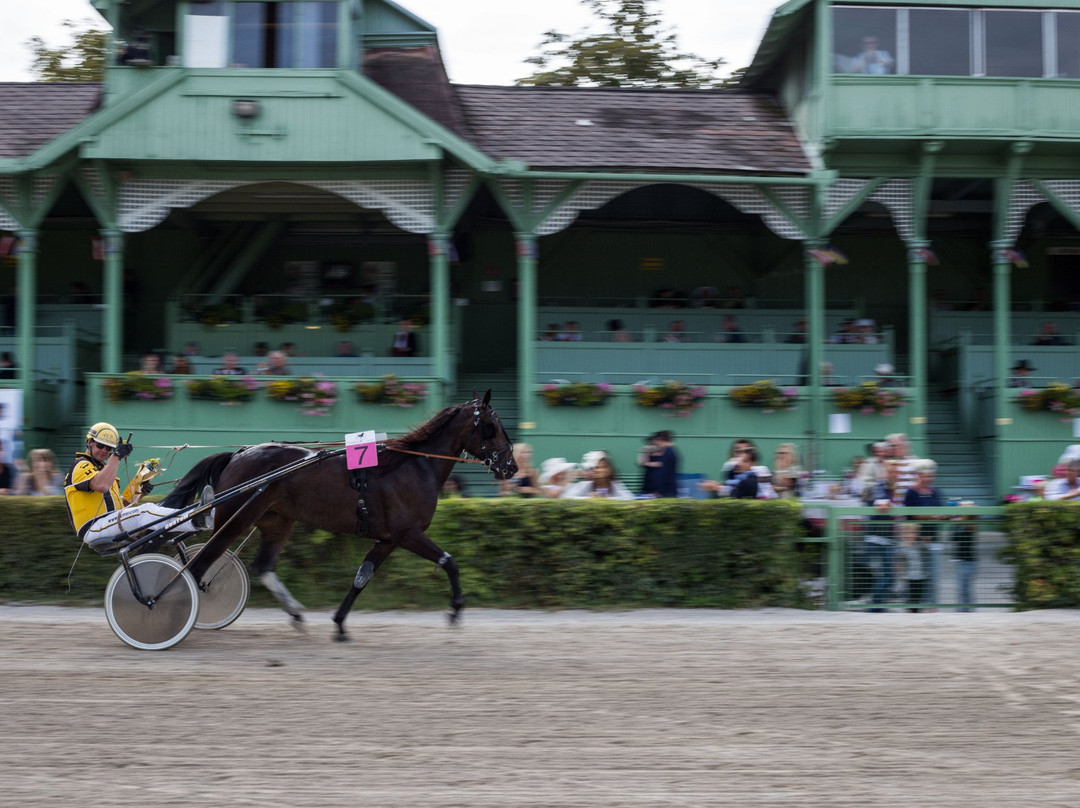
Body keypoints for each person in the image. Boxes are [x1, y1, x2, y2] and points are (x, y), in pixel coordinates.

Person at [64, 422, 213, 551]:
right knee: (145, 512)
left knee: (157, 509)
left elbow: (122, 506)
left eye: (109, 448)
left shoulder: (105, 469)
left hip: (107, 522)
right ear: (89, 442)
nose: (104, 451)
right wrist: (116, 456)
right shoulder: (81, 465)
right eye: (100, 445)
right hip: (93, 527)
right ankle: (195, 519)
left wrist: (140, 491)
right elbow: (101, 485)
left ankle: (212, 515)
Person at [903, 458, 946, 609]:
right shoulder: (911, 492)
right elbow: (911, 514)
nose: (928, 478)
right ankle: (913, 605)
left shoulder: (935, 492)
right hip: (916, 539)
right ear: (919, 476)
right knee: (916, 573)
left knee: (933, 573)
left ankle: (931, 605)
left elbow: (941, 509)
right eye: (925, 475)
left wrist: (941, 516)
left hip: (933, 537)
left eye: (930, 475)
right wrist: (930, 516)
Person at [862, 459, 903, 611]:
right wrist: (884, 504)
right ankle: (875, 607)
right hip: (877, 538)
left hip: (887, 538)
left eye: (897, 472)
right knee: (886, 576)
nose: (895, 475)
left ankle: (878, 606)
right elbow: (879, 503)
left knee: (888, 576)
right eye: (892, 472)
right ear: (884, 473)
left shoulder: (894, 489)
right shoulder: (880, 486)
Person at [561, 455, 634, 500]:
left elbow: (629, 498)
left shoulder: (615, 484)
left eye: (604, 467)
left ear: (610, 470)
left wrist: (607, 499)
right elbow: (566, 497)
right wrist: (590, 498)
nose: (600, 470)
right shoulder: (586, 484)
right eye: (597, 467)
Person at [951, 500, 978, 611]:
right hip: (960, 560)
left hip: (969, 561)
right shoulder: (960, 523)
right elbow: (953, 538)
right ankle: (962, 610)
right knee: (961, 588)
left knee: (965, 588)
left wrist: (958, 519)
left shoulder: (971, 525)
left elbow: (958, 536)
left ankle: (967, 610)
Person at [638, 430, 679, 498]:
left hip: (663, 492)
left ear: (659, 439)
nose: (653, 444)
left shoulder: (669, 453)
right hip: (651, 491)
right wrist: (644, 453)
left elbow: (663, 473)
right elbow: (640, 463)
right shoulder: (658, 453)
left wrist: (657, 491)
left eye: (654, 442)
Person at [897, 523, 927, 613]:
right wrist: (902, 576)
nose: (911, 535)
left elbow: (925, 556)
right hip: (909, 577)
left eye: (913, 533)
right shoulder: (901, 547)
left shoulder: (920, 545)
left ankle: (916, 613)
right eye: (908, 533)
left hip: (920, 576)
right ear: (904, 534)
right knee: (909, 600)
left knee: (918, 599)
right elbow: (900, 562)